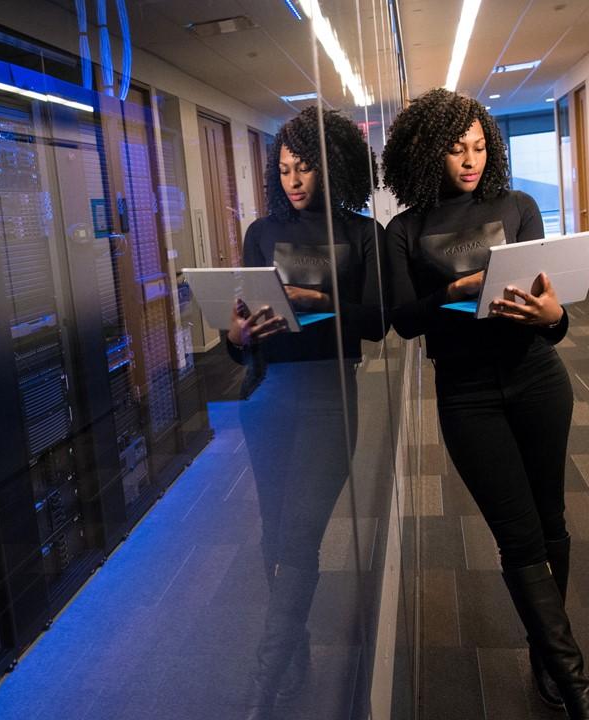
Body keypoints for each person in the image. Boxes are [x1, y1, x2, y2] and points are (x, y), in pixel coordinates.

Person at [380, 88, 589, 719]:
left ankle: (545, 653)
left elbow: (549, 320)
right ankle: (576, 682)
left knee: (550, 519)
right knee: (517, 532)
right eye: (456, 150)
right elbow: (402, 320)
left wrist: (555, 315)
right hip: (467, 393)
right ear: (427, 154)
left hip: (537, 379)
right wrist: (461, 288)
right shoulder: (405, 230)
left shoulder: (520, 206)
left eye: (479, 147)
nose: (470, 160)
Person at [223, 106, 384, 719]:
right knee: (273, 535)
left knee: (301, 534)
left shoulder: (361, 233)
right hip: (269, 396)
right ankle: (294, 651)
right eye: (285, 168)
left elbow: (376, 322)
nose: (293, 179)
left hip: (329, 396)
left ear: (332, 165)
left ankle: (265, 677)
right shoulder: (261, 233)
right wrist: (237, 336)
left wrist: (322, 299)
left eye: (305, 167)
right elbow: (236, 338)